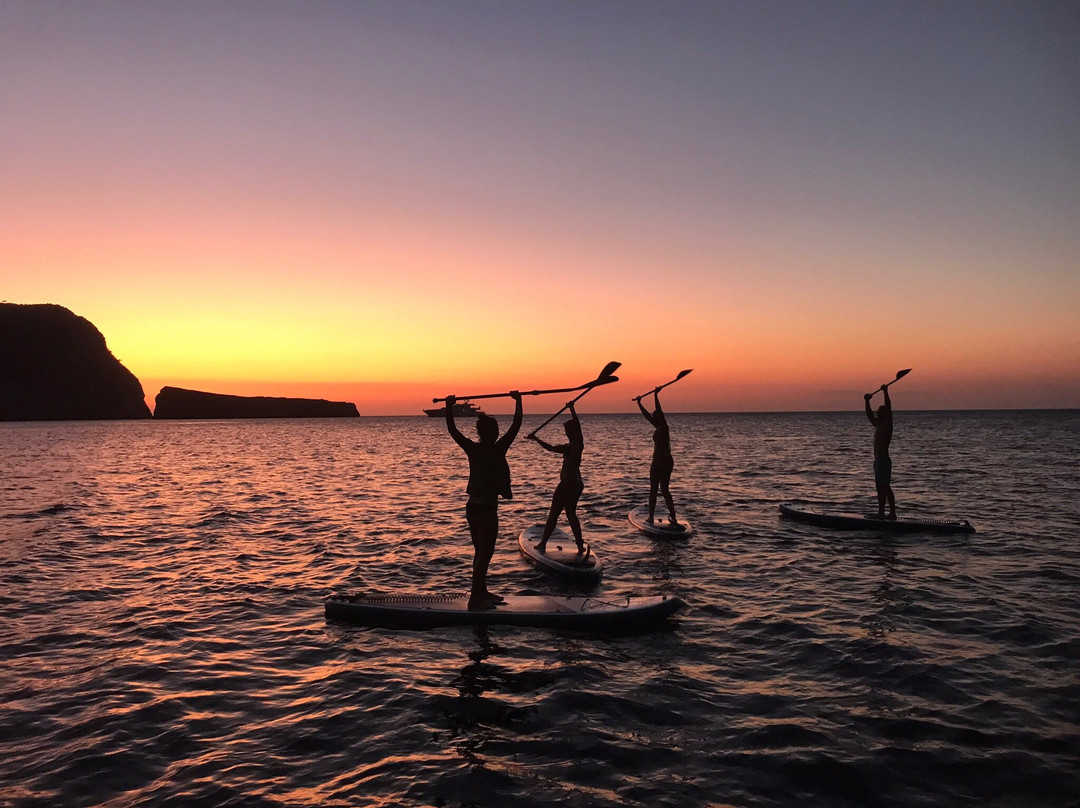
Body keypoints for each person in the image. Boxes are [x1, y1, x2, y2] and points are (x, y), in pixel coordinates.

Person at [445, 391, 523, 609]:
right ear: (494, 433)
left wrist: (450, 408)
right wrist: (518, 402)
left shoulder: (474, 449)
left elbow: (452, 430)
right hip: (486, 510)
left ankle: (481, 591)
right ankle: (476, 598)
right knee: (485, 553)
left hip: (472, 508)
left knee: (481, 552)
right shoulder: (498, 449)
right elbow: (517, 425)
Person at [527, 401, 586, 555]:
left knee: (554, 514)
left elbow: (578, 429)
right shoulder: (568, 447)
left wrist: (572, 409)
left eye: (568, 430)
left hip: (568, 485)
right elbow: (551, 448)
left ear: (572, 431)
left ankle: (542, 544)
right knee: (571, 514)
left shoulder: (577, 445)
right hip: (576, 485)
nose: (566, 432)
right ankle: (579, 545)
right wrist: (536, 439)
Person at [636, 389, 681, 528]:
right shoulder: (661, 426)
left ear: (659, 417)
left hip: (659, 461)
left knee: (654, 490)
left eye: (655, 416)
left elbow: (657, 410)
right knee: (665, 489)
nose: (653, 418)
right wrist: (639, 403)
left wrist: (656, 396)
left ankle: (650, 518)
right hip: (667, 461)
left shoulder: (663, 426)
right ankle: (673, 517)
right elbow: (647, 416)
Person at [864, 385, 896, 519]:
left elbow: (888, 407)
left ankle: (887, 513)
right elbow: (869, 415)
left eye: (880, 412)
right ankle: (883, 512)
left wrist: (885, 392)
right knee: (881, 487)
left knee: (884, 487)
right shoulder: (878, 425)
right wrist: (866, 401)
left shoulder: (888, 425)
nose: (878, 413)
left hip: (883, 461)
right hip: (878, 461)